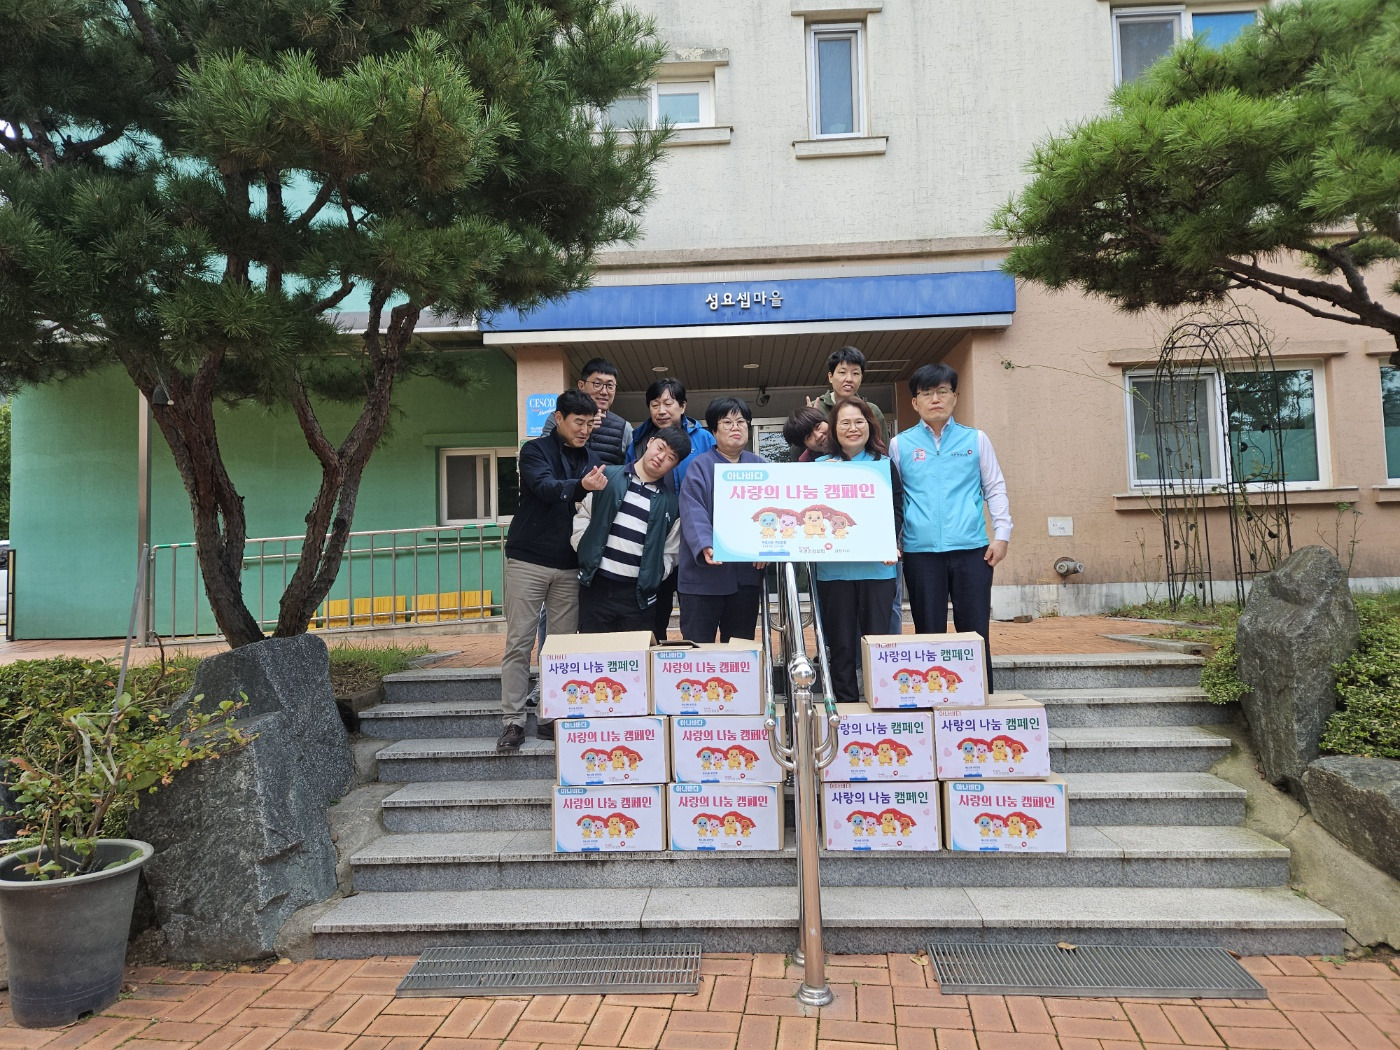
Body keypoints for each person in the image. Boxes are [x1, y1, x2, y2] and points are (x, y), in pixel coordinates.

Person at [889, 363, 1012, 693]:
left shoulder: (976, 439)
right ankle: (933, 698)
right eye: (927, 393)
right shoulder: (900, 444)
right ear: (914, 402)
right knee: (929, 631)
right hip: (920, 553)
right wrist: (894, 540)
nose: (935, 399)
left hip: (972, 550)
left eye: (942, 391)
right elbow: (894, 498)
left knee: (974, 631)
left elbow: (994, 487)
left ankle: (980, 696)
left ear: (955, 397)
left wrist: (1002, 535)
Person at [497, 388, 608, 751]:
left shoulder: (594, 459)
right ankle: (513, 721)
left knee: (561, 649)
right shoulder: (534, 451)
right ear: (559, 418)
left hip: (570, 567)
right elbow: (544, 488)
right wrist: (581, 486)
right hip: (527, 560)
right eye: (578, 422)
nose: (584, 430)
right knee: (519, 642)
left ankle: (551, 717)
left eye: (590, 423)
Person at [813, 397, 904, 702]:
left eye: (859, 422)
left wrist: (890, 541)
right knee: (840, 645)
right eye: (845, 423)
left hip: (877, 569)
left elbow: (896, 508)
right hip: (833, 572)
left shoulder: (883, 465)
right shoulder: (819, 468)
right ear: (834, 429)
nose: (853, 428)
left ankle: (882, 701)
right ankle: (846, 706)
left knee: (878, 643)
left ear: (869, 425)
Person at [572, 427, 691, 632]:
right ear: (650, 442)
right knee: (593, 648)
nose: (661, 457)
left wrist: (656, 573)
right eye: (660, 447)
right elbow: (584, 514)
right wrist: (583, 547)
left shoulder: (672, 504)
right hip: (596, 586)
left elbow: (671, 551)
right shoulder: (607, 477)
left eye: (670, 457)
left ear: (676, 465)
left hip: (638, 596)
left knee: (634, 651)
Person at [627, 378, 716, 637]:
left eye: (668, 403)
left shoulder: (704, 438)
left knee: (697, 610)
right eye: (655, 404)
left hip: (696, 536)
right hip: (656, 535)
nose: (661, 411)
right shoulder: (639, 439)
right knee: (655, 610)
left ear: (683, 406)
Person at [678, 397, 768, 643]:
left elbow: (772, 513)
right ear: (714, 431)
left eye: (741, 422)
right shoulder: (699, 466)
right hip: (703, 577)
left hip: (745, 576)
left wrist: (767, 547)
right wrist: (705, 543)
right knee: (698, 648)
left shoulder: (760, 466)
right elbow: (692, 511)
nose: (735, 427)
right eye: (727, 422)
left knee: (739, 648)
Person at [541, 357, 633, 465]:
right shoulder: (560, 417)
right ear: (581, 385)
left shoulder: (624, 427)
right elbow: (543, 457)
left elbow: (633, 468)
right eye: (597, 384)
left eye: (610, 386)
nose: (604, 392)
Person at [810, 346, 888, 440]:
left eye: (855, 373)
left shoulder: (872, 411)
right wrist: (807, 423)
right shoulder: (815, 409)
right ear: (830, 377)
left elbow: (882, 447)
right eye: (842, 372)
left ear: (861, 378)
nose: (849, 379)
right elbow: (799, 447)